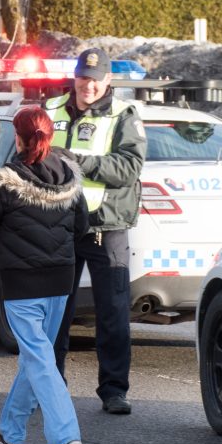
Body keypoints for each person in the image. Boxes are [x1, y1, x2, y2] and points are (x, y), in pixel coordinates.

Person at [0, 106, 87, 444]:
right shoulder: (70, 177)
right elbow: (82, 226)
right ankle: (11, 433)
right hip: (61, 281)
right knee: (38, 356)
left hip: (21, 285)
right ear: (50, 136)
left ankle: (64, 436)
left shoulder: (4, 180)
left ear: (17, 139)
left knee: (39, 358)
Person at [47, 48, 147, 415]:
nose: (87, 85)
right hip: (59, 224)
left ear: (106, 81)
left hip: (106, 225)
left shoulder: (124, 114)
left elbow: (129, 167)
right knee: (55, 311)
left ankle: (114, 390)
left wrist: (80, 162)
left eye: (94, 79)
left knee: (113, 312)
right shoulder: (51, 109)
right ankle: (50, 384)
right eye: (82, 78)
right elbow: (27, 154)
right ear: (74, 77)